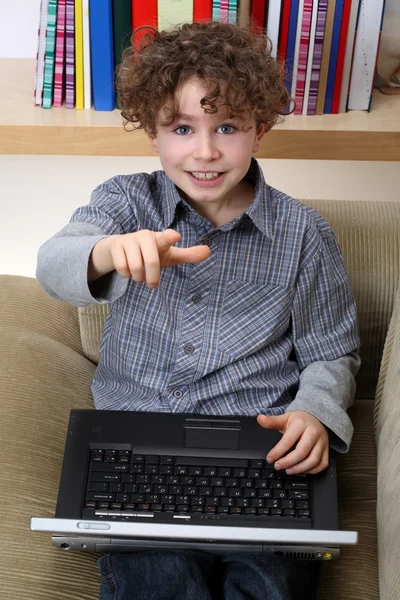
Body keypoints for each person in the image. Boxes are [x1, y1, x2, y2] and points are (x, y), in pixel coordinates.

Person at [36, 20, 360, 600]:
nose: (205, 151)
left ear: (259, 131)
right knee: (160, 581)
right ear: (153, 133)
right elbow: (53, 265)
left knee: (272, 582)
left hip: (262, 449)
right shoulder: (124, 200)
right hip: (136, 442)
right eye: (182, 127)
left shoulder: (305, 234)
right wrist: (108, 251)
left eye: (227, 127)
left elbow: (332, 351)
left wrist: (315, 411)